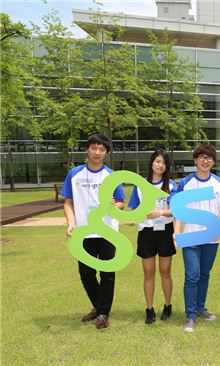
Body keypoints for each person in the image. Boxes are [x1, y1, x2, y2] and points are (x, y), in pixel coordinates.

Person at [61, 133, 125, 329]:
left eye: (102, 149)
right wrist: (70, 223)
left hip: (107, 232)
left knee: (107, 274)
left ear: (106, 152)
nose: (97, 152)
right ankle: (99, 307)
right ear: (87, 149)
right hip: (83, 233)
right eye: (94, 148)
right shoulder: (75, 174)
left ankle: (103, 313)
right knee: (86, 274)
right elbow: (68, 202)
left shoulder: (112, 176)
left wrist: (115, 206)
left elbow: (121, 203)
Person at [173, 144, 220, 333]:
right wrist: (176, 233)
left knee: (204, 274)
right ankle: (190, 315)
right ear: (195, 160)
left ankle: (200, 307)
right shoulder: (185, 183)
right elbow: (178, 211)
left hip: (211, 237)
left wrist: (217, 223)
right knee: (192, 275)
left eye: (209, 158)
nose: (205, 161)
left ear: (214, 161)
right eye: (202, 157)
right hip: (190, 236)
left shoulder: (219, 183)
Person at [128, 150, 177, 324]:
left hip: (165, 231)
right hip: (146, 233)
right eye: (157, 161)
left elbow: (176, 210)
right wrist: (131, 219)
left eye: (163, 163)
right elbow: (133, 209)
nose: (160, 165)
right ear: (151, 163)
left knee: (165, 271)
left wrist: (162, 212)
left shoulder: (171, 185)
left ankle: (167, 305)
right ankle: (149, 309)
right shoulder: (140, 185)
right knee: (148, 273)